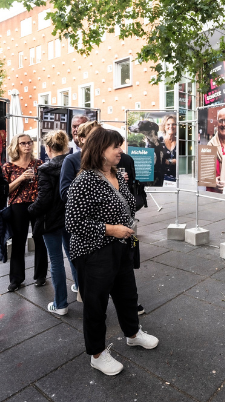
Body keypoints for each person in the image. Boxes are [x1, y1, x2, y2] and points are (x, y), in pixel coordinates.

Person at [65, 128, 159, 376]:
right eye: (115, 146)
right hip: (94, 252)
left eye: (120, 145)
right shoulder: (84, 181)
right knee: (95, 305)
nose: (121, 151)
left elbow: (129, 204)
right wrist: (110, 230)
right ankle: (97, 354)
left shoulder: (116, 174)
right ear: (99, 150)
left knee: (127, 295)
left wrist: (125, 228)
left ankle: (133, 333)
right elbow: (73, 223)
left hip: (121, 249)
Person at [28, 130, 77, 315]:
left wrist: (29, 210)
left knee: (56, 261)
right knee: (73, 255)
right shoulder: (74, 163)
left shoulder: (45, 169)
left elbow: (44, 199)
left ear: (48, 148)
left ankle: (61, 304)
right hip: (70, 217)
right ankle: (80, 288)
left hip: (50, 220)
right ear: (65, 146)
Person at [3, 134, 48, 292]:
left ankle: (41, 275)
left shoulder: (39, 164)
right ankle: (16, 279)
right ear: (16, 146)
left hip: (37, 204)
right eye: (23, 143)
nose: (27, 145)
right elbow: (5, 190)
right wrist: (21, 178)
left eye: (29, 142)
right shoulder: (8, 166)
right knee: (18, 242)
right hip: (18, 206)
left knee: (40, 239)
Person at [60, 120, 101, 202]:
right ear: (82, 139)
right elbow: (65, 194)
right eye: (93, 136)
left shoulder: (104, 159)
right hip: (82, 211)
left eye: (100, 136)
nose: (98, 140)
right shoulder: (71, 160)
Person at [159, 114, 177, 182]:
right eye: (168, 124)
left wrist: (169, 161)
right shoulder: (158, 142)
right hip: (161, 179)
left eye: (173, 124)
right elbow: (152, 159)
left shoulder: (181, 142)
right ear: (164, 126)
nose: (171, 126)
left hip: (178, 180)